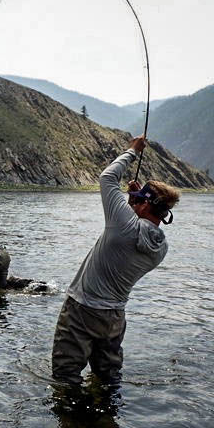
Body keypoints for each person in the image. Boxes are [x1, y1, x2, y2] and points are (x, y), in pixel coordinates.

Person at [51, 135, 181, 385]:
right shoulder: (161, 248)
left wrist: (132, 150)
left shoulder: (124, 226)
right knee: (107, 378)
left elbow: (107, 178)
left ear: (144, 204)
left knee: (65, 377)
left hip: (82, 310)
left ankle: (71, 422)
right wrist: (137, 199)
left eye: (139, 199)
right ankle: (107, 420)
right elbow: (144, 222)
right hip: (114, 317)